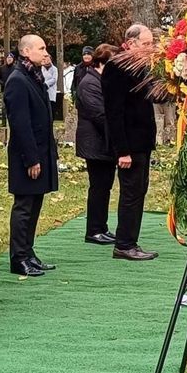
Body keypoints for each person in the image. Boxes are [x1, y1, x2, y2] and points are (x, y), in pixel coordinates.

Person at [102, 24, 160, 261]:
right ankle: (124, 244)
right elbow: (113, 112)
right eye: (146, 44)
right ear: (131, 43)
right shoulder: (117, 67)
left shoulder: (140, 67)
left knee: (139, 191)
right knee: (131, 193)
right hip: (129, 144)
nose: (150, 48)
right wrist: (122, 150)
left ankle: (130, 240)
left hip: (142, 141)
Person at [3, 34, 59, 277]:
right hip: (27, 155)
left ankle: (28, 251)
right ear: (26, 52)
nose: (46, 53)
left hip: (41, 151)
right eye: (41, 48)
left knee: (35, 204)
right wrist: (31, 159)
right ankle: (19, 257)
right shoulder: (17, 80)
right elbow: (20, 123)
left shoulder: (33, 77)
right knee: (24, 206)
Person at [76, 43, 120, 245]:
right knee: (98, 187)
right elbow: (100, 115)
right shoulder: (89, 83)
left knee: (105, 186)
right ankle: (94, 230)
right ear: (102, 63)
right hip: (95, 143)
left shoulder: (100, 81)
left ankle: (101, 226)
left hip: (104, 143)